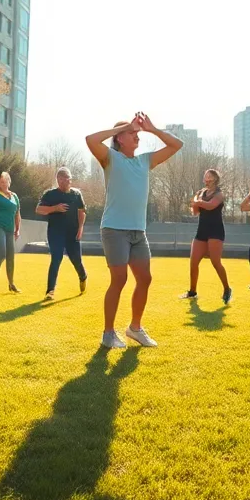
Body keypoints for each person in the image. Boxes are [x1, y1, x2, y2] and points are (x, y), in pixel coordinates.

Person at [87, 113, 183, 349]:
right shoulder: (109, 158)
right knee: (119, 280)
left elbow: (176, 145)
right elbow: (90, 139)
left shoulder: (145, 161)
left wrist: (153, 129)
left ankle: (135, 329)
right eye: (132, 133)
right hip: (114, 229)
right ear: (120, 139)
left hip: (138, 232)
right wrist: (121, 127)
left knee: (145, 279)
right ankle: (108, 334)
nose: (136, 135)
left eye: (137, 132)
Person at [36, 167, 87, 299]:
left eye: (66, 178)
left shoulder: (76, 194)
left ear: (70, 179)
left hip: (73, 233)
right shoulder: (50, 194)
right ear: (57, 180)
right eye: (60, 179)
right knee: (56, 258)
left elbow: (81, 211)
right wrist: (55, 208)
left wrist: (81, 227)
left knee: (76, 260)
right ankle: (50, 291)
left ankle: (83, 276)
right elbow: (39, 209)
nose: (63, 181)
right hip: (55, 233)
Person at [183, 168, 231, 303]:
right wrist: (194, 204)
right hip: (202, 231)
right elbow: (195, 212)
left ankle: (227, 289)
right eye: (205, 177)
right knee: (193, 263)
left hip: (216, 231)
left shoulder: (219, 194)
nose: (207, 179)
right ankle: (192, 292)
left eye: (209, 177)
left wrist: (198, 202)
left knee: (215, 262)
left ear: (215, 179)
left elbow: (210, 206)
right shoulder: (200, 193)